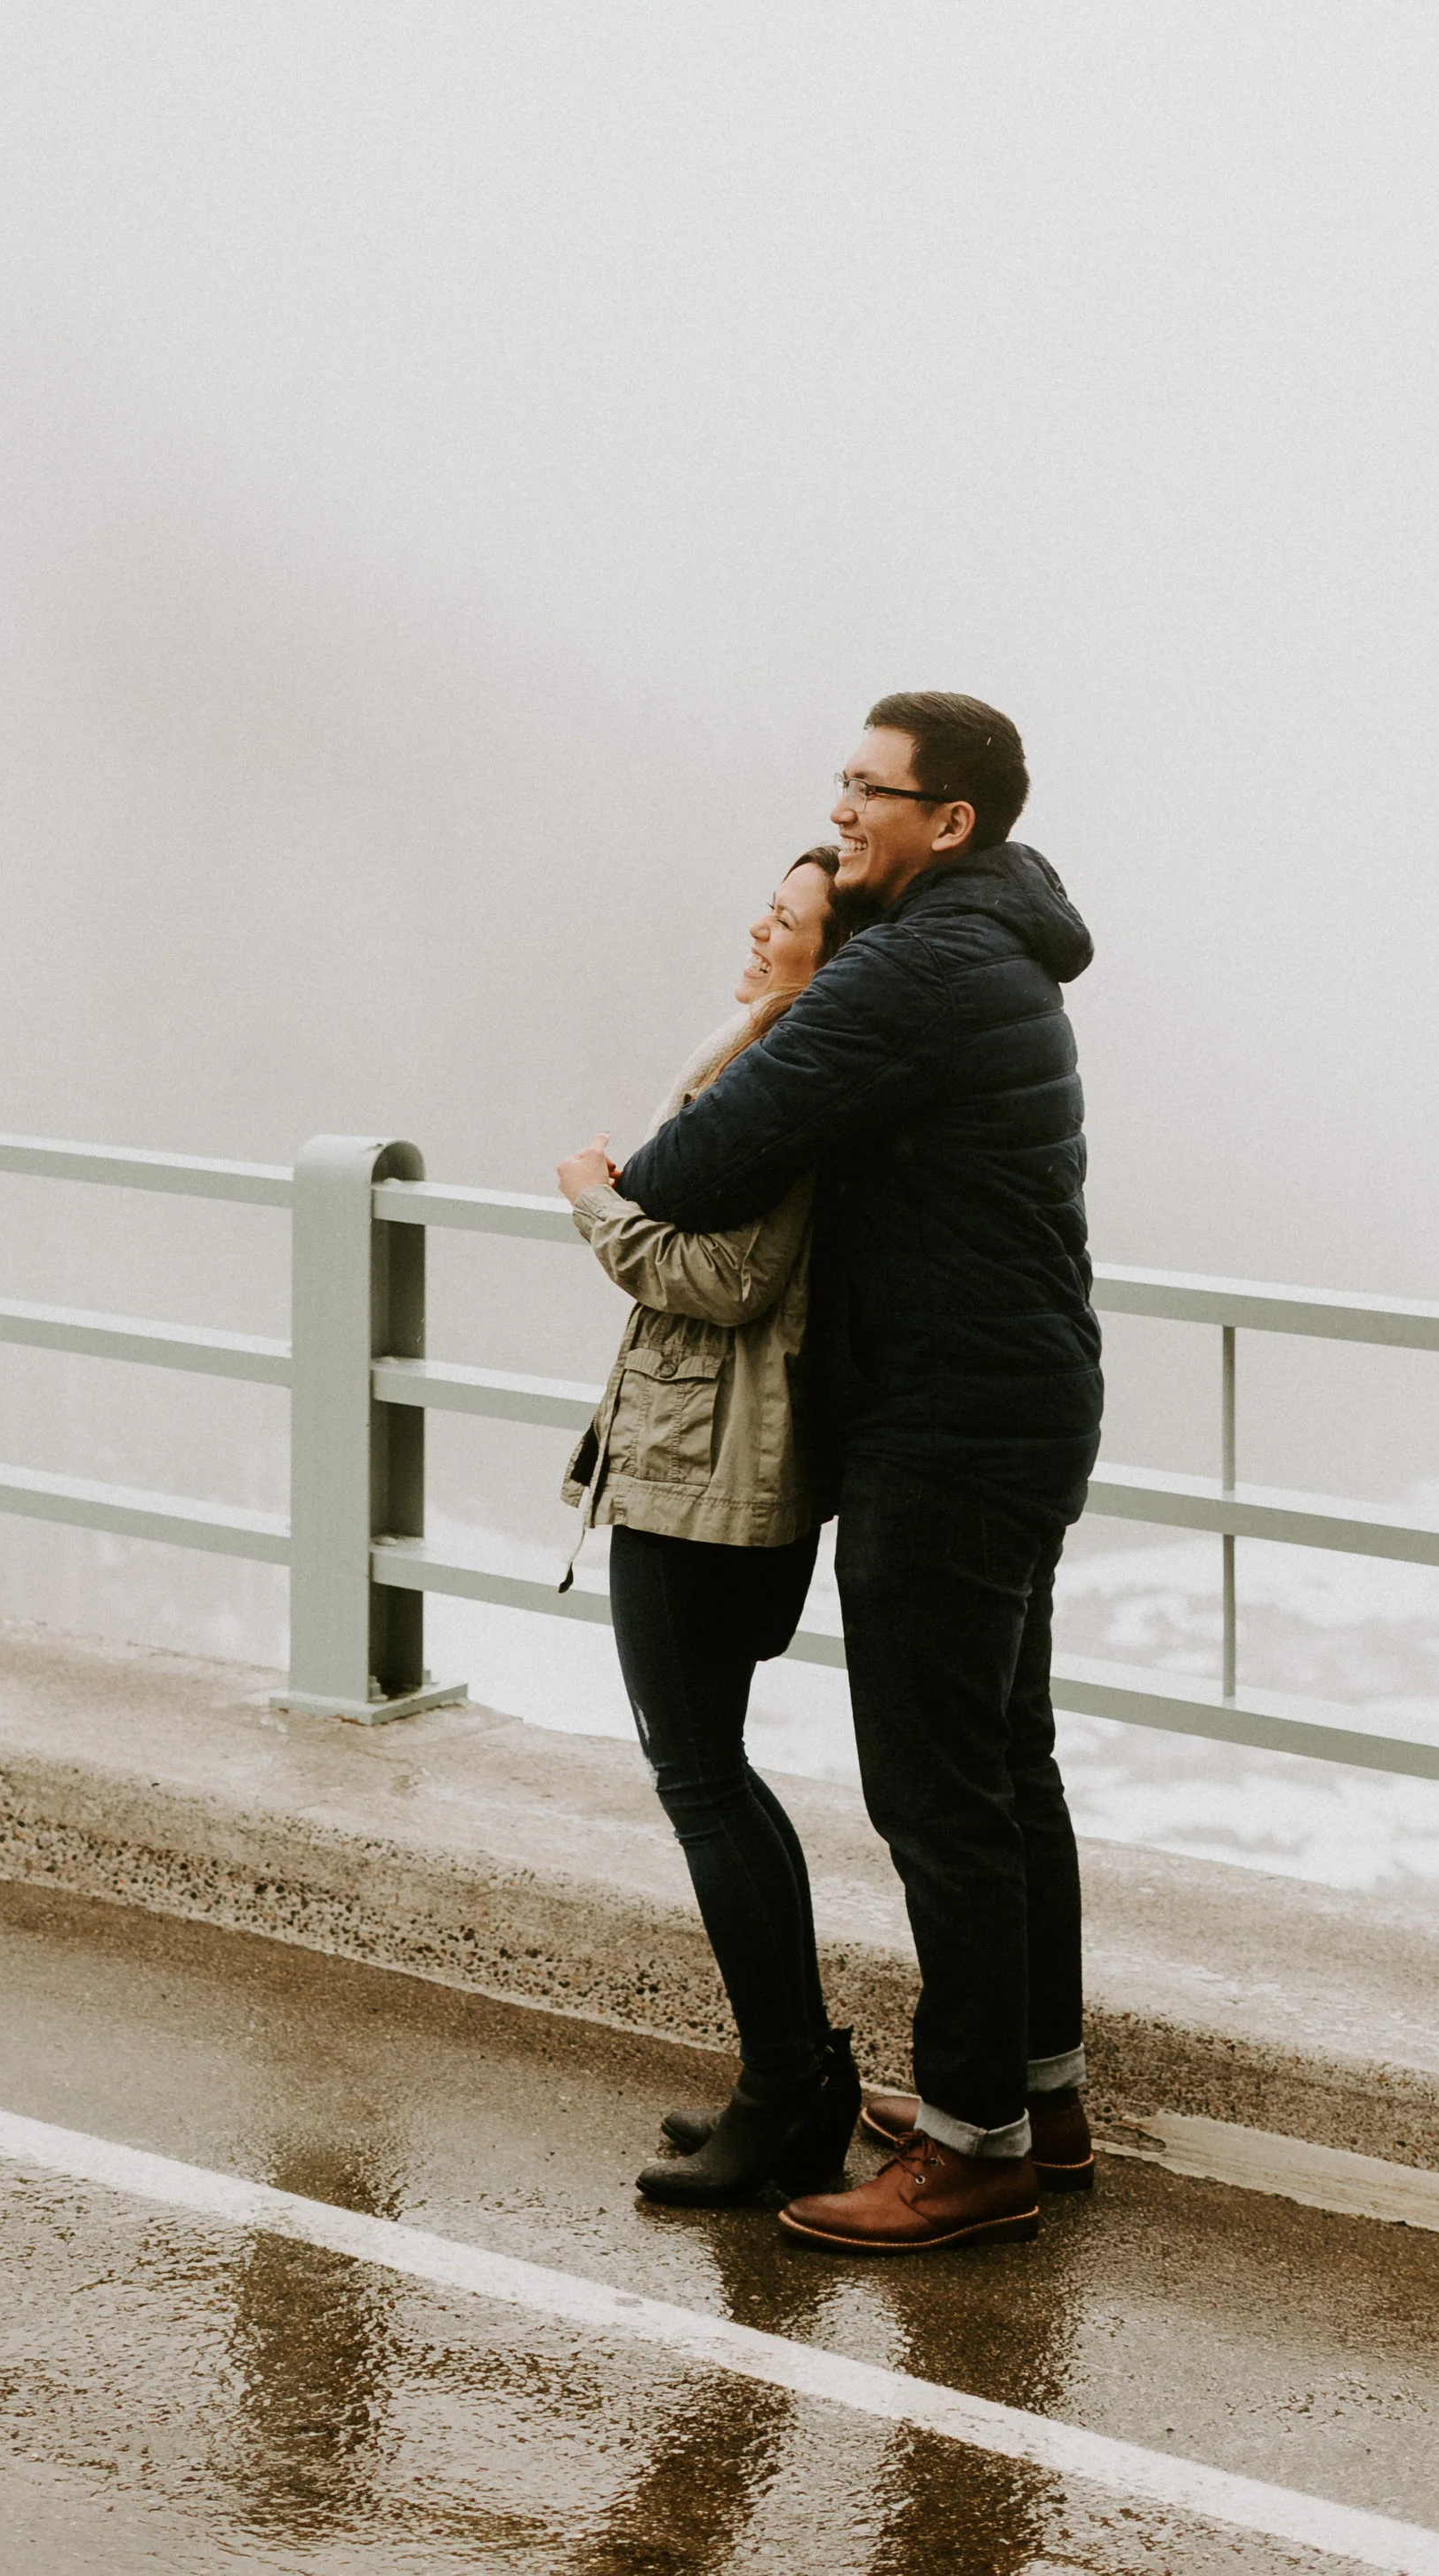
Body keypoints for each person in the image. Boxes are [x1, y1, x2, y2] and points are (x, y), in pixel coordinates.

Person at [614, 694, 1102, 2256]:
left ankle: (972, 2157)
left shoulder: (921, 966)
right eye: (837, 782)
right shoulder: (990, 948)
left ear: (949, 821)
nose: (840, 812)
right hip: (1017, 1406)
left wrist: (598, 1187)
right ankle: (1038, 2098)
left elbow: (687, 1173)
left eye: (867, 791)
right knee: (1005, 1766)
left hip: (949, 1426)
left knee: (941, 1790)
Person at [555, 847, 862, 2208]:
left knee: (700, 1779)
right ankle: (794, 2078)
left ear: (831, 955)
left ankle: (789, 2091)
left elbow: (731, 1279)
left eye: (790, 920)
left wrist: (595, 1204)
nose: (759, 928)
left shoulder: (789, 1076)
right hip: (712, 1465)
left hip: (706, 1478)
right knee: (717, 1774)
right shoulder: (779, 1054)